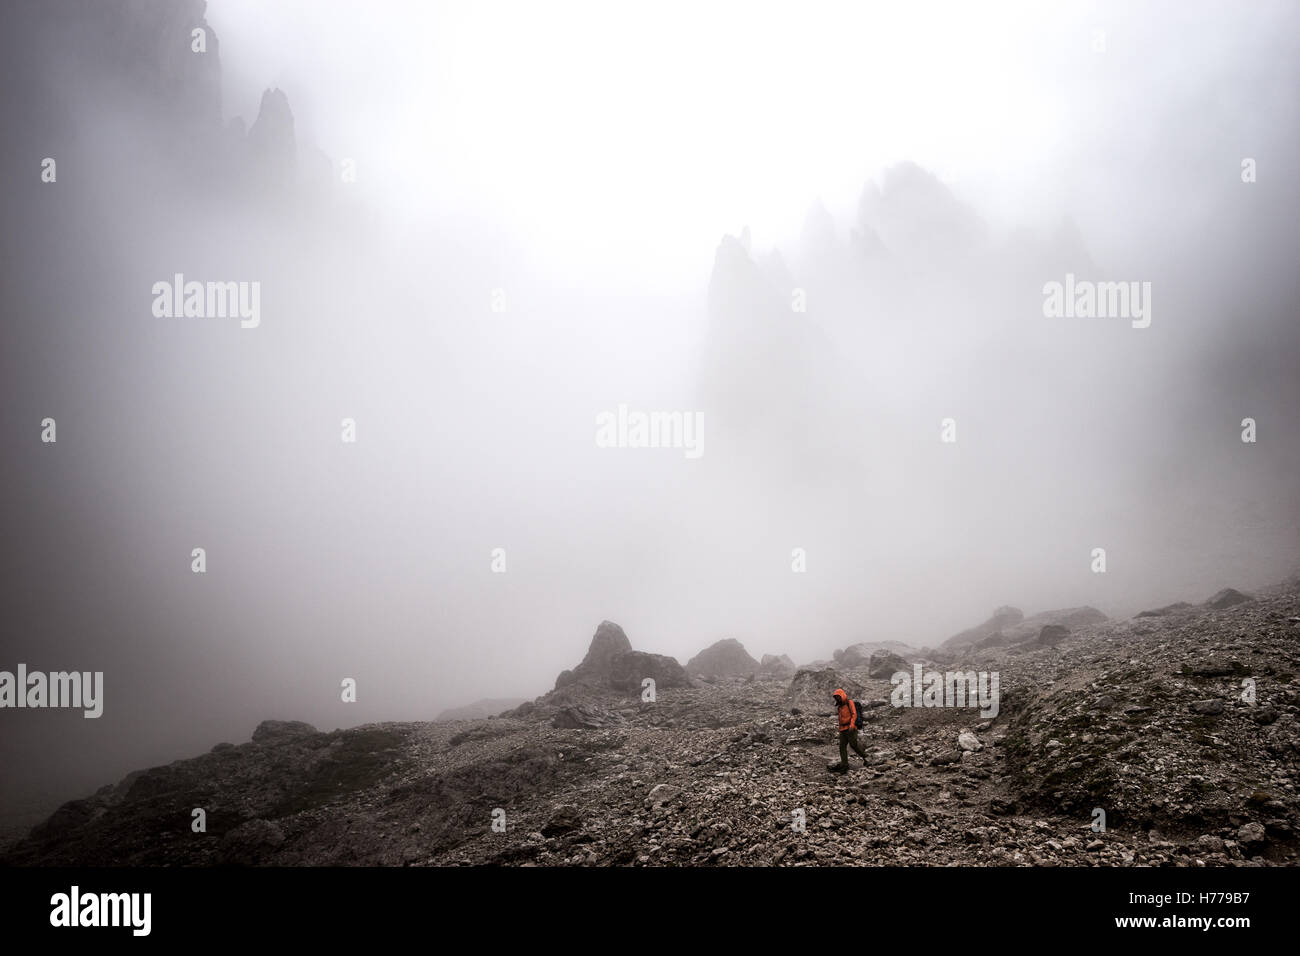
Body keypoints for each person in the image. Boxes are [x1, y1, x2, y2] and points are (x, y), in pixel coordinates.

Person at [827, 688, 869, 774]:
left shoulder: (849, 703)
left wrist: (852, 725)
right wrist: (840, 729)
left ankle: (866, 757)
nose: (837, 698)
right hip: (843, 729)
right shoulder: (839, 707)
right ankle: (844, 765)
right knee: (842, 747)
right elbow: (840, 719)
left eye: (838, 696)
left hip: (850, 728)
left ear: (842, 695)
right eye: (836, 697)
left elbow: (854, 714)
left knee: (853, 745)